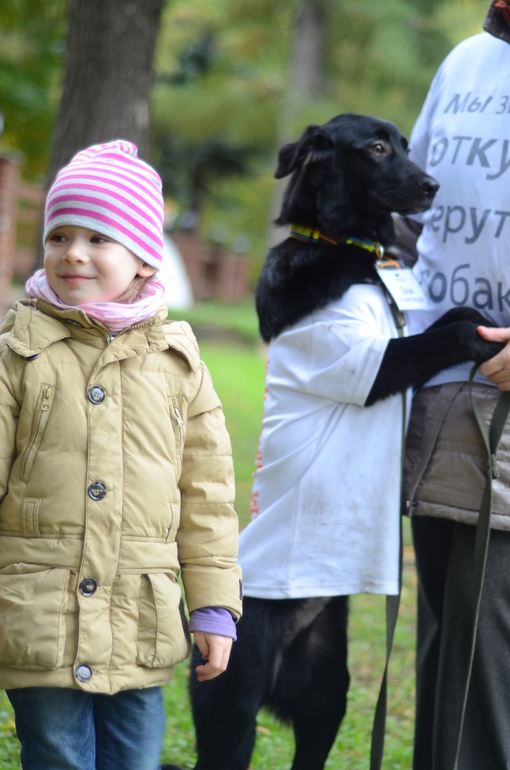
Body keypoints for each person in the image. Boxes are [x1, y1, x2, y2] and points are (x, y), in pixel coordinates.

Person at [0, 140, 242, 770]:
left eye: (98, 238)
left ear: (143, 258)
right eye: (59, 236)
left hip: (141, 614)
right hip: (39, 612)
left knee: (135, 758)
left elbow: (207, 497)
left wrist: (214, 604)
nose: (73, 252)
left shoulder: (178, 363)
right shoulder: (18, 351)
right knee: (58, 755)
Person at [396, 2, 510, 767]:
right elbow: (409, 209)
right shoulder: (463, 61)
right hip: (439, 390)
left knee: (489, 652)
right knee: (445, 642)